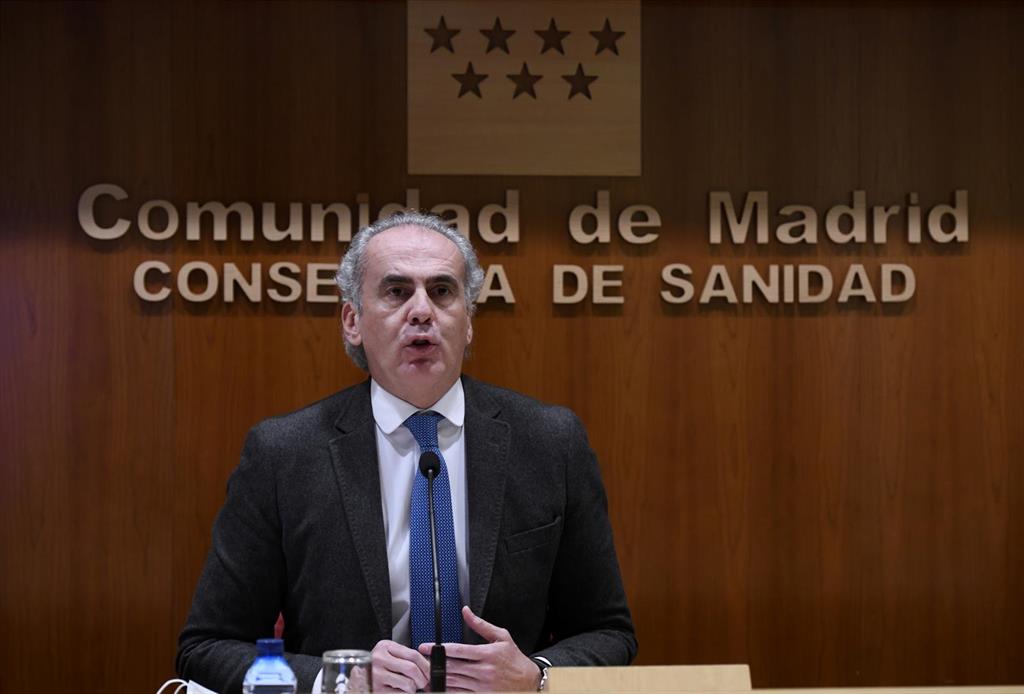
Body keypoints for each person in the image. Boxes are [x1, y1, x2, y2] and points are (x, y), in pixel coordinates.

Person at [177, 212, 636, 692]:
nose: (422, 311)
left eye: (442, 291)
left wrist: (537, 676)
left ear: (468, 321)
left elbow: (609, 632)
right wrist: (340, 681)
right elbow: (206, 647)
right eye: (396, 292)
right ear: (353, 321)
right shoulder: (284, 454)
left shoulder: (549, 442)